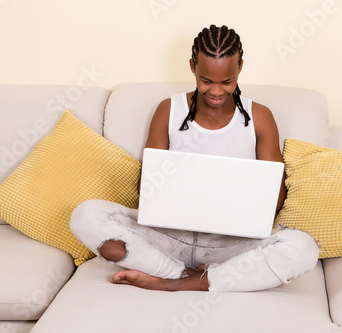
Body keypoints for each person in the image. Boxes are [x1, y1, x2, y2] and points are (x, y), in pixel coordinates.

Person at [70, 24, 319, 292]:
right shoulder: (169, 109)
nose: (216, 91)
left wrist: (232, 202)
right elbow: (147, 187)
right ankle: (182, 274)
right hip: (167, 239)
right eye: (206, 80)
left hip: (230, 245)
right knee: (86, 214)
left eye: (227, 82)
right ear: (192, 66)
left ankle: (172, 283)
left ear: (240, 68)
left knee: (303, 248)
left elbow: (276, 198)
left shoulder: (259, 116)